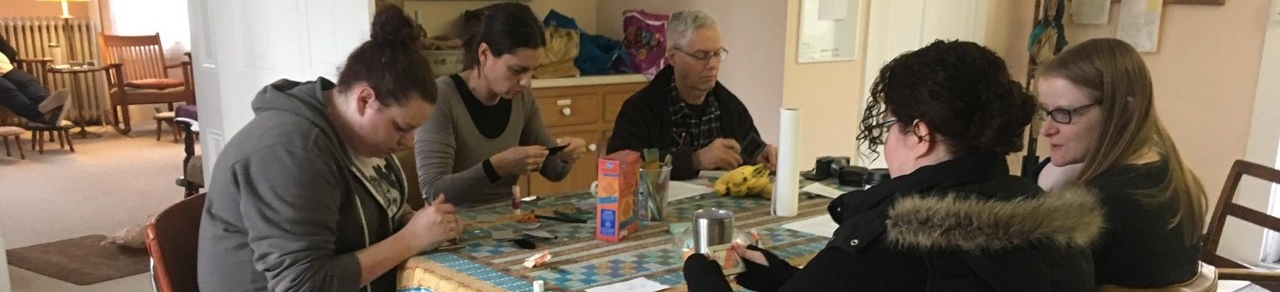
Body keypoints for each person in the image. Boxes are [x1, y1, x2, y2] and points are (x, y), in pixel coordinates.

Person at [682, 40, 1103, 292]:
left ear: (920, 135)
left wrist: (704, 280)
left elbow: (879, 274)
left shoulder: (894, 240)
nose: (885, 140)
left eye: (890, 126)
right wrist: (789, 279)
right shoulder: (1044, 221)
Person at [197, 6, 460, 292]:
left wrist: (413, 221)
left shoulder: (355, 137)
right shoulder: (290, 152)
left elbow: (376, 202)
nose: (409, 142)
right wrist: (410, 239)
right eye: (401, 128)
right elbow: (301, 285)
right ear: (364, 100)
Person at [1035, 38, 1207, 288]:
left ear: (1124, 113)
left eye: (1064, 114)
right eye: (1045, 112)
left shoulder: (1098, 204)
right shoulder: (1168, 172)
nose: (1045, 129)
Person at [415, 2, 587, 207]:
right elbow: (434, 193)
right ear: (484, 54)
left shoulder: (522, 98)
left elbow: (551, 170)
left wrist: (564, 156)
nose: (527, 82)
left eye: (533, 71)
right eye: (517, 70)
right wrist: (496, 167)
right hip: (451, 226)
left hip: (506, 220)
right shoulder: (442, 97)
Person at [607, 10, 776, 180]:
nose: (712, 65)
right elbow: (619, 167)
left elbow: (750, 154)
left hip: (719, 204)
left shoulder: (730, 108)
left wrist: (761, 155)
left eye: (717, 54)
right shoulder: (641, 109)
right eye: (701, 56)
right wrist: (695, 160)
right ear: (673, 57)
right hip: (661, 204)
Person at [0, 34, 67, 125]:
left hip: (6, 69)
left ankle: (50, 108)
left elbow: (12, 54)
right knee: (8, 90)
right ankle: (39, 116)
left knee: (29, 82)